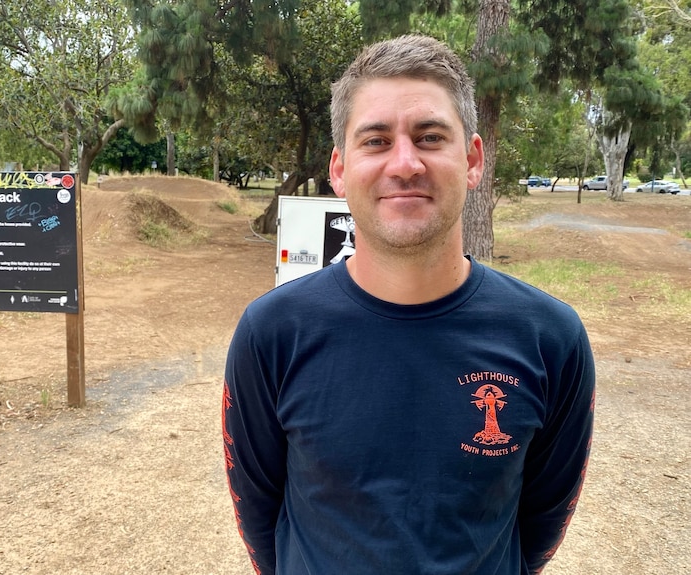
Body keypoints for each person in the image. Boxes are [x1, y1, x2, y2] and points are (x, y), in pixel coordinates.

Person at [222, 34, 595, 575]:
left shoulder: (549, 338)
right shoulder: (272, 333)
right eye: (375, 140)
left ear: (471, 160)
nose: (405, 163)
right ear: (339, 168)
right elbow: (259, 519)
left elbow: (540, 523)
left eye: (429, 137)